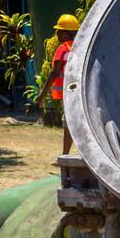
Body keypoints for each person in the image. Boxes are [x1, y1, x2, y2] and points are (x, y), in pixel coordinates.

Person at [36, 13, 79, 155]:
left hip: (68, 94)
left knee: (69, 124)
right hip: (81, 92)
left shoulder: (62, 49)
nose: (57, 33)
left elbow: (54, 73)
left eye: (59, 30)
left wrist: (42, 95)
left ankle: (65, 155)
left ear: (66, 34)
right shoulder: (81, 48)